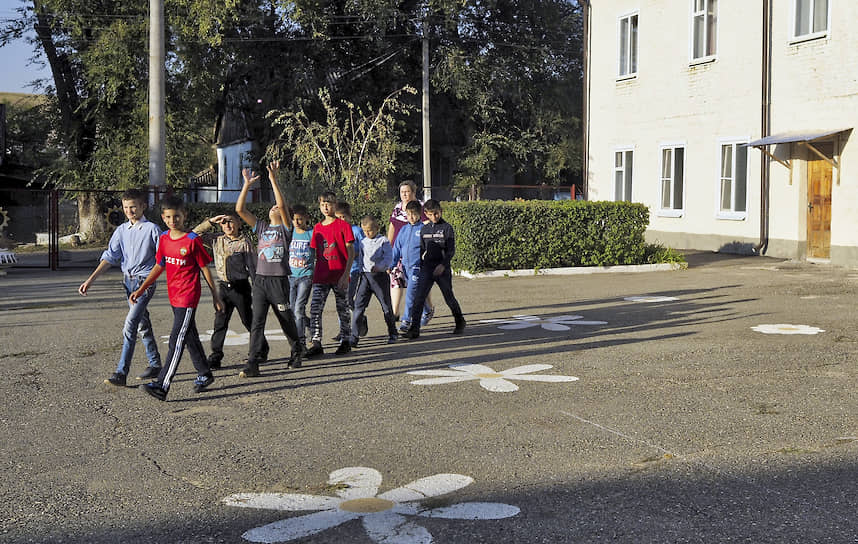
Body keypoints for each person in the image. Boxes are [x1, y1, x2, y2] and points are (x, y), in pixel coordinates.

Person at [132, 196, 223, 401]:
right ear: (163, 218)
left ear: (184, 216)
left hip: (188, 296)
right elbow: (159, 265)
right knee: (188, 334)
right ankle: (204, 373)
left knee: (177, 338)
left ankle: (162, 385)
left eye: (177, 217)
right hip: (174, 296)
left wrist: (216, 296)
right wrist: (141, 289)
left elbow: (204, 269)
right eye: (169, 217)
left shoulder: (192, 240)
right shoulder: (164, 238)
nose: (173, 221)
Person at [78, 188, 162, 386]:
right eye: (126, 207)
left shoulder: (152, 229)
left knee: (130, 325)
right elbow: (110, 257)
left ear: (143, 206)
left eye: (133, 206)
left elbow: (162, 260)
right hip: (128, 281)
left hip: (144, 282)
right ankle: (155, 363)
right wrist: (90, 280)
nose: (129, 211)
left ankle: (121, 373)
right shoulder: (121, 231)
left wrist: (146, 286)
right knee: (142, 323)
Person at [235, 162, 304, 378]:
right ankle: (253, 361)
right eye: (271, 206)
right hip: (260, 281)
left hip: (278, 281)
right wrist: (246, 185)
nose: (273, 207)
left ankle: (297, 350)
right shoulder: (262, 227)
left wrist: (272, 178)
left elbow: (283, 206)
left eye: (276, 206)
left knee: (285, 319)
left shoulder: (285, 229)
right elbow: (239, 210)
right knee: (257, 322)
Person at [192, 211, 268, 369]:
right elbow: (194, 235)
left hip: (240, 287)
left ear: (239, 224)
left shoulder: (244, 243)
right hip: (223, 287)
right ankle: (216, 354)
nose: (227, 225)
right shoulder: (217, 239)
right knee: (220, 321)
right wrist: (211, 220)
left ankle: (261, 348)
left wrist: (258, 289)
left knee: (248, 319)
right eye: (224, 222)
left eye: (231, 222)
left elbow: (253, 267)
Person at [402, 199, 466, 339]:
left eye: (436, 213)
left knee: (448, 297)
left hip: (442, 268)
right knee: (419, 298)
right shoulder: (424, 229)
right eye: (430, 214)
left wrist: (443, 265)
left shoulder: (447, 228)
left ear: (440, 211)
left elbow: (451, 251)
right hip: (427, 268)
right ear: (425, 214)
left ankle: (460, 321)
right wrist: (420, 265)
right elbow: (422, 250)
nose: (434, 217)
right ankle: (414, 329)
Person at [305, 191, 355, 357]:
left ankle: (346, 340)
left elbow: (351, 251)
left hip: (339, 275)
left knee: (342, 308)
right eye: (323, 204)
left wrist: (345, 274)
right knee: (315, 309)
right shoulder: (317, 228)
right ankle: (316, 342)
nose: (326, 207)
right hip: (321, 275)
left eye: (329, 203)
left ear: (335, 205)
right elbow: (314, 253)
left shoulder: (343, 226)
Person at [387, 180, 434, 325]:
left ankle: (424, 311)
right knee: (396, 281)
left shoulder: (421, 207)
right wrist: (389, 247)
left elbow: (428, 226)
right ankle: (395, 313)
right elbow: (392, 226)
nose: (404, 195)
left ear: (413, 192)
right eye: (402, 192)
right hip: (399, 251)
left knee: (417, 288)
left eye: (407, 192)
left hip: (416, 254)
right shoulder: (398, 208)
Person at [350, 216, 398, 347]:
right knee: (358, 307)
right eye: (365, 231)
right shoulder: (363, 242)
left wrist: (381, 266)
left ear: (376, 229)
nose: (367, 233)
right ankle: (354, 336)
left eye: (370, 230)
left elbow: (388, 258)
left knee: (386, 306)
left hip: (380, 278)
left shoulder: (383, 241)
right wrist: (360, 271)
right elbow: (361, 258)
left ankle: (393, 332)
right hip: (365, 278)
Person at [334, 201, 366, 340]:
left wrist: (352, 253)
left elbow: (365, 248)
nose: (341, 220)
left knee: (346, 299)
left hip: (354, 270)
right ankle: (357, 319)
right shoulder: (335, 230)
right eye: (338, 217)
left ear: (349, 216)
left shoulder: (357, 231)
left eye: (343, 217)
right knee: (342, 300)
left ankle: (348, 329)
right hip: (339, 271)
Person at [288, 204, 314, 351]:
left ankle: (301, 343)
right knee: (294, 310)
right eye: (294, 219)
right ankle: (311, 327)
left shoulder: (311, 233)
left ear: (306, 218)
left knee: (299, 308)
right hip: (291, 276)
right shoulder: (290, 233)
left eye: (300, 219)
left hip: (306, 275)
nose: (297, 222)